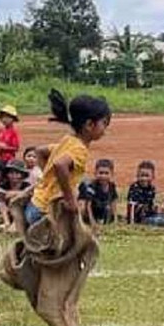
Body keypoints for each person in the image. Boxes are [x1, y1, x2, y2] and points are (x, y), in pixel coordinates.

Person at [25, 90, 112, 227]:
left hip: (35, 204)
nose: (105, 129)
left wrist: (47, 177)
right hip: (46, 212)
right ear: (90, 125)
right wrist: (69, 198)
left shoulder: (67, 141)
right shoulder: (79, 149)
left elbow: (40, 151)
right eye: (104, 123)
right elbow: (60, 165)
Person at [78, 159, 117, 225]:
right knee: (82, 207)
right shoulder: (92, 187)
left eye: (106, 173)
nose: (103, 176)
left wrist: (115, 220)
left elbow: (113, 203)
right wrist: (92, 222)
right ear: (95, 173)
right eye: (100, 173)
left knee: (108, 208)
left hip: (102, 208)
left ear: (112, 174)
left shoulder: (112, 186)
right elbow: (88, 206)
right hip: (91, 209)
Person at [126, 159, 160, 225]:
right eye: (142, 175)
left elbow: (151, 203)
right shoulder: (134, 188)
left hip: (149, 215)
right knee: (158, 221)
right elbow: (131, 206)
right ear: (137, 176)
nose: (144, 179)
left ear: (153, 177)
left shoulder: (152, 188)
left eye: (147, 176)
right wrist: (131, 223)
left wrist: (155, 208)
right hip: (138, 218)